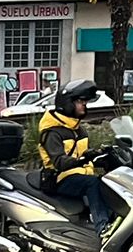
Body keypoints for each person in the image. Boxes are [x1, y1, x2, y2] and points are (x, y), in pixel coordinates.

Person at [36, 79, 116, 239]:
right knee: (93, 183)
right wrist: (83, 159)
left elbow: (84, 157)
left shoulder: (79, 130)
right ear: (67, 103)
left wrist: (106, 158)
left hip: (79, 176)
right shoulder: (52, 132)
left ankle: (115, 223)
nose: (84, 105)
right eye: (80, 101)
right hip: (58, 179)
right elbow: (59, 162)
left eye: (85, 101)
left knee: (111, 183)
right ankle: (103, 228)